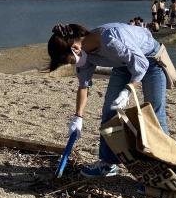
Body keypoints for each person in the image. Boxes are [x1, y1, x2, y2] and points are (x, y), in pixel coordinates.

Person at [48, 22, 169, 177]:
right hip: (122, 64)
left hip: (151, 59)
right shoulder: (85, 56)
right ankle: (108, 164)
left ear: (75, 49)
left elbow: (142, 64)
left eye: (70, 61)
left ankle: (166, 166)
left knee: (154, 112)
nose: (72, 65)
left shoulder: (110, 38)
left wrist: (127, 91)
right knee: (109, 111)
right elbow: (83, 86)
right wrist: (77, 118)